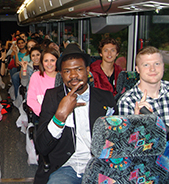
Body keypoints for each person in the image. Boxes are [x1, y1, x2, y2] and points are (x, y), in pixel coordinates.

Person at [34, 44, 117, 184]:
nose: (73, 75)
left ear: (88, 70)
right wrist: (60, 116)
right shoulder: (52, 97)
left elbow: (116, 140)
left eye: (78, 69)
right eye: (67, 71)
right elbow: (42, 147)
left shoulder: (106, 98)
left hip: (100, 167)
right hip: (65, 167)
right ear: (61, 74)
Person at [118, 46, 169, 127]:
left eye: (157, 64)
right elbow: (129, 138)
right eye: (146, 65)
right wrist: (136, 120)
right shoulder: (128, 101)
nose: (153, 69)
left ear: (163, 66)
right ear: (138, 69)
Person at [27, 48, 59, 117]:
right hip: (43, 115)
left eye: (52, 60)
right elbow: (31, 99)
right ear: (42, 62)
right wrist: (45, 112)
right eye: (46, 61)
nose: (49, 64)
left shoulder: (62, 77)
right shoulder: (36, 76)